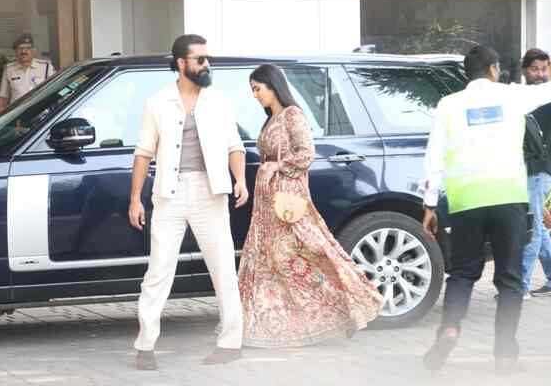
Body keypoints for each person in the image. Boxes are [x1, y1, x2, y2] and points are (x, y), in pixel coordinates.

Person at [422, 45, 551, 373]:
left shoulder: (448, 105)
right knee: (509, 279)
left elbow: (433, 156)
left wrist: (430, 204)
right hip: (508, 198)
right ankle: (505, 354)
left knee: (463, 272)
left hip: (466, 201)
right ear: (494, 69)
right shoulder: (513, 96)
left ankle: (450, 328)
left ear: (467, 73)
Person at [237, 63, 383, 348]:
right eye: (252, 90)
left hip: (288, 199)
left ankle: (348, 305)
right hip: (267, 202)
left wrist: (278, 165)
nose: (255, 95)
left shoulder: (293, 115)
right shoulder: (270, 120)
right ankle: (269, 323)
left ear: (273, 86)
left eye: (258, 89)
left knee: (305, 252)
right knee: (268, 258)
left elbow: (307, 154)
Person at [128, 34, 248, 370]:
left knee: (223, 267)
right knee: (158, 270)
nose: (206, 64)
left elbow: (234, 146)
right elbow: (143, 153)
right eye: (200, 59)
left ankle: (231, 342)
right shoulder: (157, 102)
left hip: (211, 193)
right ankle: (145, 346)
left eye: (208, 58)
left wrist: (239, 179)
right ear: (181, 63)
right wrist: (135, 199)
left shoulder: (219, 100)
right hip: (169, 193)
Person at [520, 48, 551, 298]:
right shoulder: (522, 96)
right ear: (525, 71)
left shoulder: (547, 98)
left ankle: (521, 286)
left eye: (544, 69)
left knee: (533, 225)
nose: (540, 74)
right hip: (525, 169)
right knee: (537, 222)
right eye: (535, 69)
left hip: (539, 170)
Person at [0, 33, 55, 111]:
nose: (24, 51)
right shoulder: (9, 70)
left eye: (28, 48)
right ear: (16, 51)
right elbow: (3, 98)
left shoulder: (46, 67)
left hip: (42, 114)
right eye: (20, 48)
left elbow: (55, 90)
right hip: (17, 116)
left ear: (34, 50)